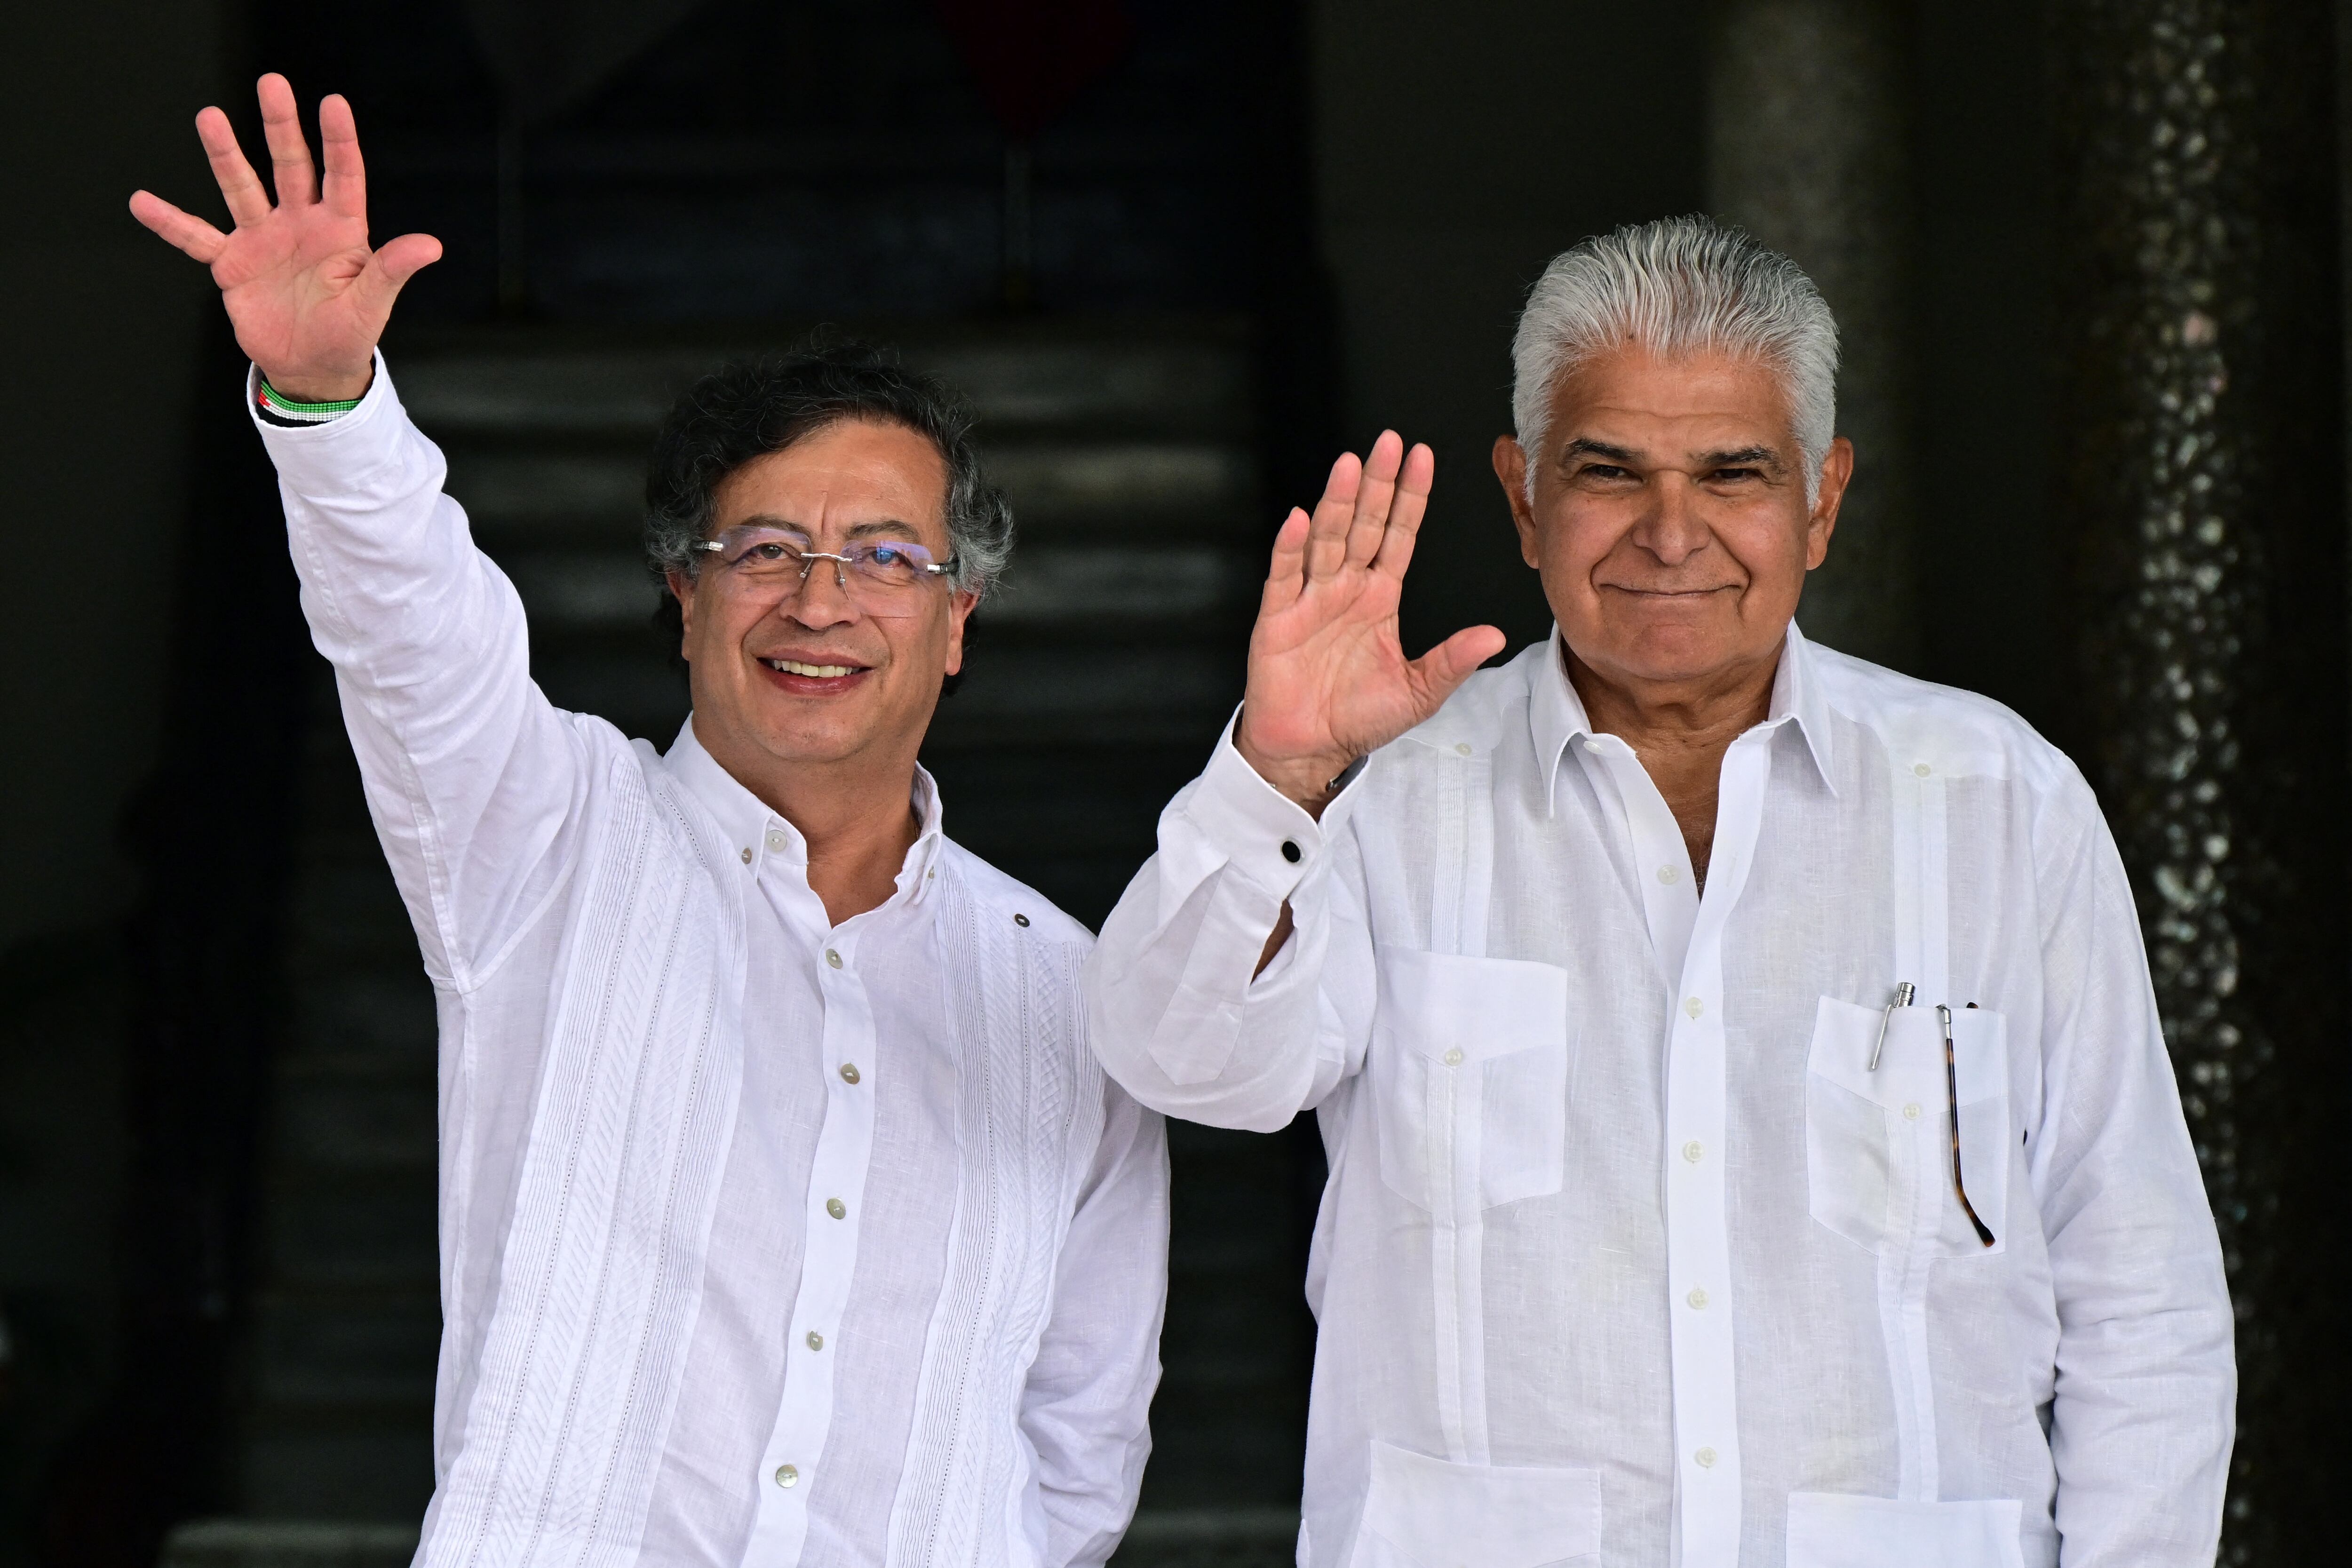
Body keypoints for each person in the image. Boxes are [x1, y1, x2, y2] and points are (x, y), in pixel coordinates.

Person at [1083, 215, 2233, 1568]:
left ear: (1822, 500)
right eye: (1609, 470)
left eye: (1734, 472)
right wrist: (1278, 776)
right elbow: (1187, 1062)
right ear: (1523, 501)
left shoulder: (1997, 803)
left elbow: (2143, 1304)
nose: (1670, 532)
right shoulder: (1388, 791)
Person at [132, 75, 1167, 1568]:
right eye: (765, 549)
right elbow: (411, 628)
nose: (822, 601)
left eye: (884, 555)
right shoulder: (545, 841)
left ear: (960, 618)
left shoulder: (1074, 992)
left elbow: (1078, 1456)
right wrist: (327, 403)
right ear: (682, 594)